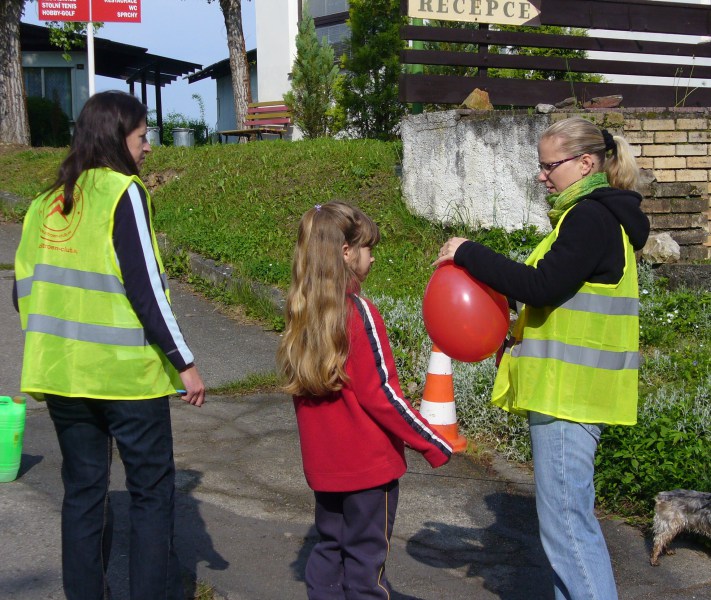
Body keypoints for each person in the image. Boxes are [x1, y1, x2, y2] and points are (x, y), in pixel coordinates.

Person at [434, 116, 650, 600]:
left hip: (566, 397)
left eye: (549, 165)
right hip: (568, 394)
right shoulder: (589, 219)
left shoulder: (590, 218)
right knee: (564, 530)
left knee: (568, 530)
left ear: (586, 163)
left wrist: (468, 252)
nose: (541, 175)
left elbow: (541, 286)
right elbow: (551, 298)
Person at [13, 90, 205, 600]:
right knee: (149, 496)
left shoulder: (43, 203)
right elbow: (145, 288)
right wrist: (184, 362)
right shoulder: (125, 193)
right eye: (143, 137)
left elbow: (22, 290)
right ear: (116, 138)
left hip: (61, 376)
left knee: (82, 495)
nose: (147, 148)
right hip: (126, 379)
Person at [277, 201, 452, 599]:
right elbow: (383, 395)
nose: (372, 258)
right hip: (369, 472)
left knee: (329, 550)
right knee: (365, 564)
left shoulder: (300, 313)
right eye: (368, 249)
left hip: (325, 468)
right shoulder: (359, 313)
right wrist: (431, 441)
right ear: (346, 253)